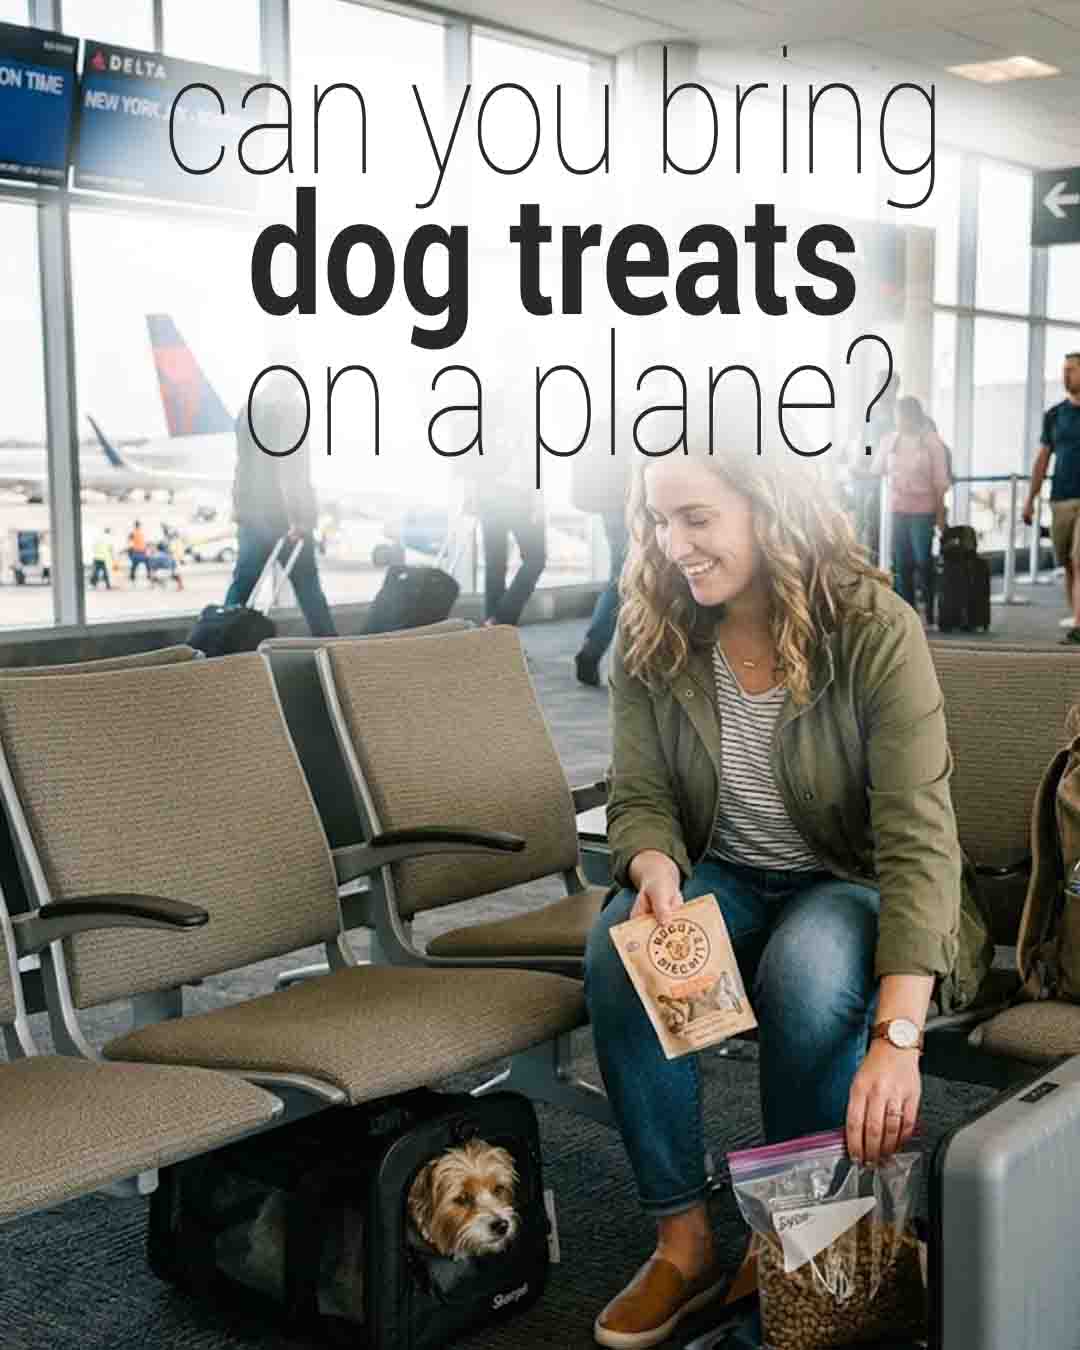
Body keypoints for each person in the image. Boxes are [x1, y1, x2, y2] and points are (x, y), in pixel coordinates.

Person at [584, 426, 992, 1349]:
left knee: (808, 969)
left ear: (769, 507)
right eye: (658, 521)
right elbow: (640, 795)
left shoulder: (871, 628)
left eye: (696, 518)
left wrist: (898, 1036)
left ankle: (803, 1252)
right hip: (727, 872)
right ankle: (685, 1242)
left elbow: (918, 838)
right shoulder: (655, 621)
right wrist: (653, 866)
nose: (673, 545)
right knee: (624, 951)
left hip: (853, 879)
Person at [223, 383, 337, 638]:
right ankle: (332, 648)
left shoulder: (248, 409)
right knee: (309, 590)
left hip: (251, 518)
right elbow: (291, 470)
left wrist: (239, 509)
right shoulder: (291, 409)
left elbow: (242, 466)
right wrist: (299, 519)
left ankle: (219, 646)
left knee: (241, 589)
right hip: (284, 522)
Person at [874, 395, 950, 622]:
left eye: (902, 416)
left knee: (923, 560)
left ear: (913, 416)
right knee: (901, 562)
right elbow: (876, 467)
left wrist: (940, 514)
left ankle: (930, 609)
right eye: (897, 416)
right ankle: (907, 612)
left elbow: (940, 481)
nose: (899, 420)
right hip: (897, 509)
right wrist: (865, 449)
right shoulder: (890, 440)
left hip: (923, 511)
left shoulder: (931, 442)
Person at [1023, 352, 1080, 645]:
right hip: (1061, 498)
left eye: (1072, 370)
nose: (1065, 376)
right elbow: (1043, 459)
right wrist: (1030, 499)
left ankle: (1079, 624)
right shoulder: (1055, 415)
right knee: (1068, 562)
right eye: (1064, 370)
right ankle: (1077, 617)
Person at [571, 437, 631, 687]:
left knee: (619, 578)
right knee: (643, 578)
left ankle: (593, 646)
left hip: (611, 504)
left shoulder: (605, 424)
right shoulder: (640, 421)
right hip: (635, 502)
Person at [848, 369, 899, 557]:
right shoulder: (872, 412)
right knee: (864, 524)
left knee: (882, 527)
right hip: (868, 477)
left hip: (889, 479)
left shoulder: (899, 414)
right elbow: (867, 444)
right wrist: (865, 459)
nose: (878, 388)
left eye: (883, 385)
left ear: (893, 388)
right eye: (877, 384)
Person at [127, 519, 150, 584]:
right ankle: (149, 575)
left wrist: (130, 549)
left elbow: (129, 541)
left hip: (136, 552)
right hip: (142, 552)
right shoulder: (142, 533)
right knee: (147, 564)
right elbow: (145, 543)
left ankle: (132, 577)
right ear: (139, 525)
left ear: (135, 525)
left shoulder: (133, 533)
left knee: (134, 565)